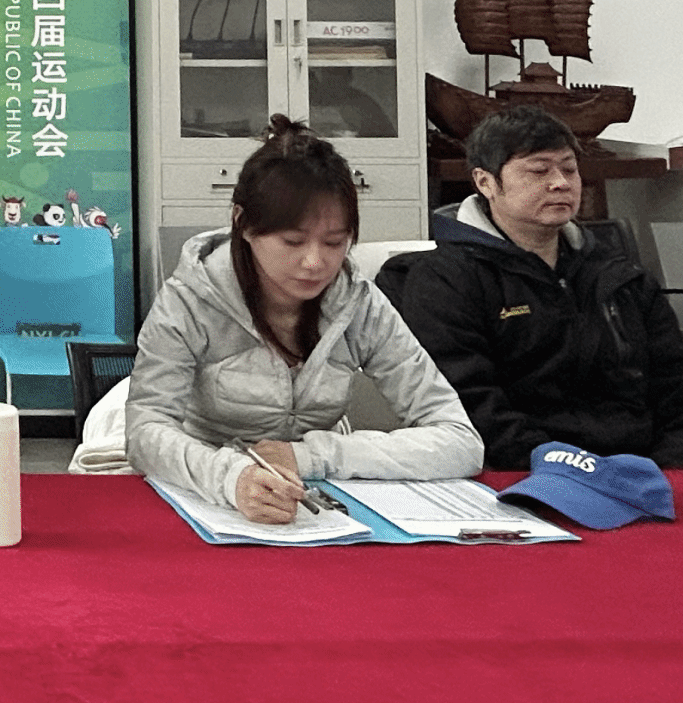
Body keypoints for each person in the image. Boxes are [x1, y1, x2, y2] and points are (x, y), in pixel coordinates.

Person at [125, 117, 481, 523]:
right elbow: (145, 431)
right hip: (203, 489)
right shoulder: (190, 299)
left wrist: (309, 455)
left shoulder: (359, 304)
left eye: (334, 242)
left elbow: (460, 441)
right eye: (293, 241)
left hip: (314, 494)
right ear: (243, 223)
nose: (315, 262)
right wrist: (231, 477)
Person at [381, 105, 683, 470]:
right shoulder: (445, 280)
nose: (561, 183)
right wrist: (571, 470)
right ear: (485, 182)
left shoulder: (617, 274)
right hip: (528, 472)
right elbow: (469, 405)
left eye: (569, 169)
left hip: (648, 468)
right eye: (539, 171)